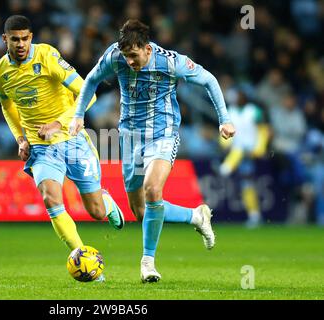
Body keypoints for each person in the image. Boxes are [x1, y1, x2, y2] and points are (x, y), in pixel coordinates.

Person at [70, 19, 235, 282]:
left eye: (134, 56)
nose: (130, 62)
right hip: (130, 137)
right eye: (127, 57)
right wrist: (79, 116)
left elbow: (209, 80)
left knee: (152, 190)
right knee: (141, 212)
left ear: (147, 49)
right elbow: (90, 80)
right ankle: (195, 216)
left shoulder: (170, 62)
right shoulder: (115, 56)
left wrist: (224, 119)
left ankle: (148, 262)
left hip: (163, 134)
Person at [0, 15, 124, 254]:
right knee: (51, 199)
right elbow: (7, 107)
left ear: (31, 37)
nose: (20, 44)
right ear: (5, 40)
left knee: (96, 212)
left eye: (24, 39)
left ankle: (108, 204)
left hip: (72, 140)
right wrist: (20, 138)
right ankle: (82, 258)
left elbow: (88, 94)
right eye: (14, 40)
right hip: (40, 147)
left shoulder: (48, 57)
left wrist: (57, 123)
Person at [219, 90, 270, 228]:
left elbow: (264, 130)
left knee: (247, 183)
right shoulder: (230, 111)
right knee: (243, 184)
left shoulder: (253, 111)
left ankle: (254, 215)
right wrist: (224, 144)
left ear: (245, 97)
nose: (237, 98)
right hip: (236, 149)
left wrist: (260, 148)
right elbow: (224, 130)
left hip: (250, 152)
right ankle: (253, 215)